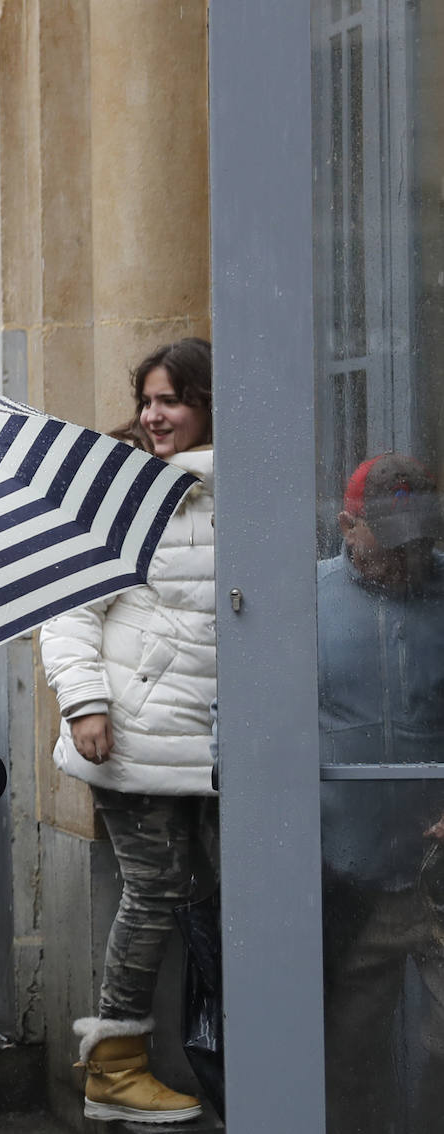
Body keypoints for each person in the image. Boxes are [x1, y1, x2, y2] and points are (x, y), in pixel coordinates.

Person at [40, 337, 216, 1125]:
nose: (152, 415)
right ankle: (115, 1066)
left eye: (169, 400)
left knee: (210, 895)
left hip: (215, 744)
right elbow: (68, 608)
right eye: (147, 400)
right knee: (155, 890)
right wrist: (85, 705)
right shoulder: (126, 491)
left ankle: (226, 1056)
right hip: (133, 739)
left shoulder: (248, 490)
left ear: (208, 404)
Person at [318, 453, 444, 1134]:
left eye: (422, 539)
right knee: (348, 1055)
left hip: (437, 876)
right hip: (349, 878)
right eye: (394, 543)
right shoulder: (304, 602)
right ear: (349, 525)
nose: (411, 557)